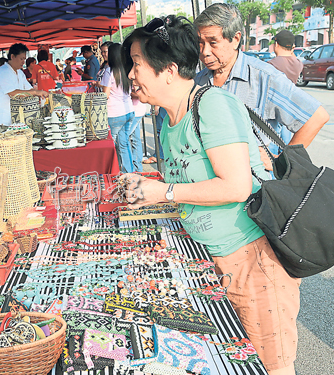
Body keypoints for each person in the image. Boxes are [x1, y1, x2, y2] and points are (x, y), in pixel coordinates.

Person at [122, 15, 301, 375]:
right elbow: (192, 180)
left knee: (270, 365)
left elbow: (235, 186)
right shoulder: (170, 120)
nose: (130, 75)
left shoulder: (212, 105)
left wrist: (164, 191)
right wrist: (151, 188)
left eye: (136, 65)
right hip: (212, 262)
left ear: (168, 70)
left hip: (252, 261)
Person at [194, 3, 329, 171]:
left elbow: (316, 117)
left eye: (213, 43)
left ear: (235, 39)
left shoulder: (263, 77)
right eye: (200, 43)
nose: (205, 51)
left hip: (254, 186)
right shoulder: (199, 80)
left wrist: (280, 162)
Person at [0, 43, 48, 132]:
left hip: (15, 119)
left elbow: (29, 89)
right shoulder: (3, 71)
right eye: (21, 59)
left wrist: (41, 93)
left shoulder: (19, 72)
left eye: (24, 59)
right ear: (12, 56)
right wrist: (36, 93)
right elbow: (13, 94)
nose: (23, 62)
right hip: (2, 119)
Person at [98, 43, 134, 173]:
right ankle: (129, 173)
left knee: (110, 145)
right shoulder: (126, 69)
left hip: (114, 113)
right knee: (124, 143)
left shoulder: (110, 71)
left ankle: (112, 173)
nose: (104, 55)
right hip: (128, 111)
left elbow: (105, 95)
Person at [130, 92, 149, 171]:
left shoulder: (137, 81)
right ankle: (137, 167)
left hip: (136, 111)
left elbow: (141, 94)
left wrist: (125, 92)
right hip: (135, 111)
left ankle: (133, 167)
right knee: (135, 139)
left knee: (124, 140)